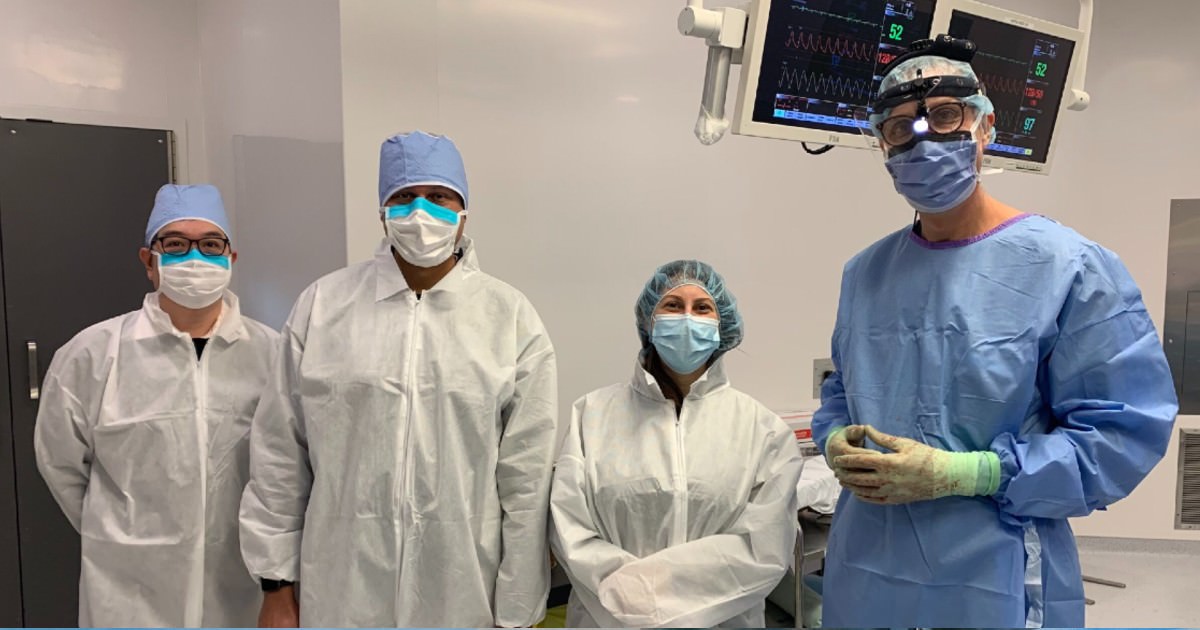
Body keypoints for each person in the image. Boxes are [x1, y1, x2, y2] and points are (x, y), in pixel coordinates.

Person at [813, 36, 1179, 628]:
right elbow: (844, 392)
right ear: (881, 143)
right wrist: (834, 437)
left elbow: (1121, 434)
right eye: (901, 126)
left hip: (997, 571)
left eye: (945, 116)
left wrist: (974, 473)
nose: (924, 140)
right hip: (868, 567)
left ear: (985, 127)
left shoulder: (1068, 267)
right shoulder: (866, 273)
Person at [239, 131, 560, 627]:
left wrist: (518, 606)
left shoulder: (508, 317)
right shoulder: (324, 306)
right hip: (343, 584)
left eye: (439, 197)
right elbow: (281, 452)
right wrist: (276, 585)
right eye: (404, 196)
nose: (421, 212)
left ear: (464, 212)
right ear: (382, 211)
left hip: (462, 585)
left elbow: (527, 476)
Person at [34, 184, 279, 627]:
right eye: (176, 244)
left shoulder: (273, 355)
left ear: (231, 258)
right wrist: (120, 533)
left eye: (210, 245)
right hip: (128, 588)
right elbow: (61, 463)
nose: (195, 258)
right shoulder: (94, 354)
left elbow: (287, 469)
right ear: (149, 261)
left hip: (241, 585)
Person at [550, 260, 803, 628]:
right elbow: (569, 530)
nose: (687, 317)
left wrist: (646, 598)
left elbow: (762, 549)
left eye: (702, 308)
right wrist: (630, 603)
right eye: (672, 305)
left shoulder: (762, 430)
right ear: (649, 322)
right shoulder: (591, 415)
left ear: (722, 324)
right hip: (608, 620)